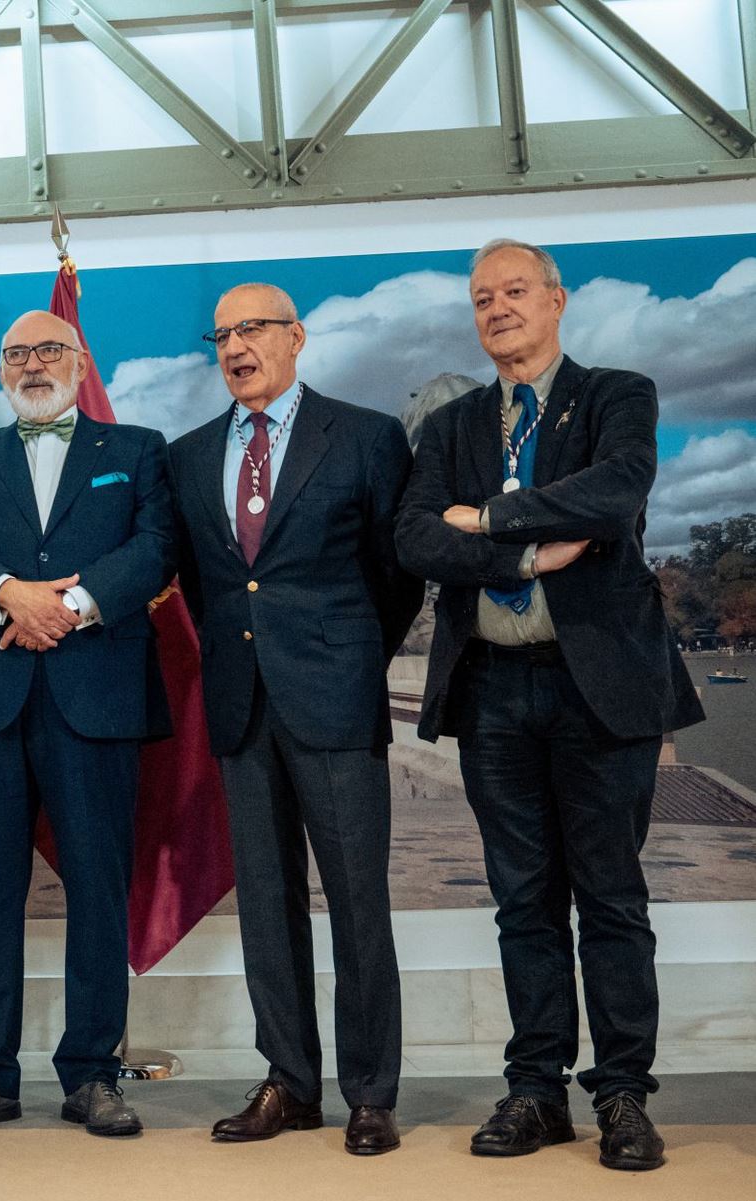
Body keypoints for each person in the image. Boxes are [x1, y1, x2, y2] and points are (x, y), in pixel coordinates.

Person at [395, 239, 704, 1172]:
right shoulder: (449, 429)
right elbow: (413, 535)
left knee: (609, 896)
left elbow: (614, 495)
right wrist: (529, 550)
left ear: (556, 300)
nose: (497, 308)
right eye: (482, 297)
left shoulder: (618, 394)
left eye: (515, 290)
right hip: (491, 688)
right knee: (522, 902)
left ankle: (620, 1093)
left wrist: (486, 517)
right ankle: (535, 1088)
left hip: (597, 688)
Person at [167, 284, 422, 1156]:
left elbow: (397, 575)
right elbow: (202, 584)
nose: (236, 344)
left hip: (336, 700)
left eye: (253, 328)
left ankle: (369, 1092)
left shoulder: (364, 435)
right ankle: (289, 1081)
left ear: (296, 337)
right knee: (266, 908)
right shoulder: (188, 454)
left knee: (356, 902)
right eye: (222, 333)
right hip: (240, 708)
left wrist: (344, 656)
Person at [0, 311, 174, 1138]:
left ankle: (91, 1074)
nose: (32, 364)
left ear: (79, 361)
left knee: (98, 888)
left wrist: (65, 606)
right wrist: (7, 595)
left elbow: (156, 545)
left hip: (94, 701)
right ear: (2, 369)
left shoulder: (134, 449)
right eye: (16, 353)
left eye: (48, 350)